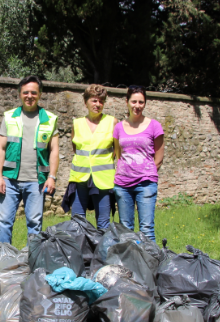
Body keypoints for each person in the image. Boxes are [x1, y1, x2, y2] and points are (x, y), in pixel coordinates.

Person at [0, 76, 59, 244]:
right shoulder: (9, 117)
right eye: (26, 92)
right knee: (4, 223)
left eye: (33, 92)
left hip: (36, 181)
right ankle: (3, 260)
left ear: (40, 94)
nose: (29, 96)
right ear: (19, 94)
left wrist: (52, 177)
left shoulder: (50, 119)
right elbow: (0, 148)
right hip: (10, 180)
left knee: (35, 224)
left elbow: (54, 150)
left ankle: (33, 261)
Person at [113, 85, 165, 241]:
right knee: (125, 229)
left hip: (146, 184)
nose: (137, 106)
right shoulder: (118, 127)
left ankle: (150, 264)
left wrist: (146, 172)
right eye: (134, 101)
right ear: (127, 102)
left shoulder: (154, 126)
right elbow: (118, 154)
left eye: (141, 102)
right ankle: (129, 264)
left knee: (147, 229)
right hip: (122, 185)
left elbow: (159, 156)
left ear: (145, 103)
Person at [64, 85, 117, 229]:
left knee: (103, 224)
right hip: (79, 177)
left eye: (101, 101)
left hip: (103, 179)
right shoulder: (77, 123)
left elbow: (116, 151)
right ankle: (80, 251)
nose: (98, 105)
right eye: (94, 101)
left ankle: (102, 251)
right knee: (77, 223)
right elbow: (76, 149)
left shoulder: (112, 122)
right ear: (86, 102)